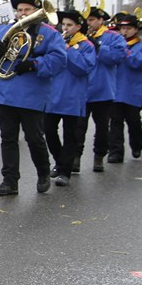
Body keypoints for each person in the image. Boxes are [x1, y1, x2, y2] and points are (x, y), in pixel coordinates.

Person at [0, 0, 67, 196]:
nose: (23, 14)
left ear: (36, 12)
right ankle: (10, 181)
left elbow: (59, 59)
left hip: (32, 94)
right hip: (6, 91)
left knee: (34, 138)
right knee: (8, 139)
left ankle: (42, 172)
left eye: (27, 10)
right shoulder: (6, 29)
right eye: (20, 10)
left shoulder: (49, 33)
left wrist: (34, 64)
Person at [43, 11, 96, 187]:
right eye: (63, 25)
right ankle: (60, 161)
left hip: (73, 95)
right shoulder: (56, 41)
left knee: (70, 134)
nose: (65, 28)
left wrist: (68, 50)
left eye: (69, 25)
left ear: (78, 27)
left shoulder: (86, 45)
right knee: (48, 130)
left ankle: (65, 171)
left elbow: (83, 67)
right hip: (53, 93)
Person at [76, 6, 125, 172]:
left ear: (100, 20)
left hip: (103, 90)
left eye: (91, 20)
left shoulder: (113, 37)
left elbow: (118, 57)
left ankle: (99, 157)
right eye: (86, 20)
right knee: (78, 127)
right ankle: (75, 158)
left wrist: (99, 47)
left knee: (102, 128)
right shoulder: (79, 38)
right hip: (83, 89)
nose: (88, 23)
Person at [108, 13, 142, 162]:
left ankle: (137, 144)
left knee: (133, 121)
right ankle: (116, 152)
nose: (125, 31)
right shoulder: (115, 43)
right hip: (116, 88)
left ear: (136, 30)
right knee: (115, 122)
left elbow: (141, 62)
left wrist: (126, 53)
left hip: (132, 89)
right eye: (122, 28)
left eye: (128, 28)